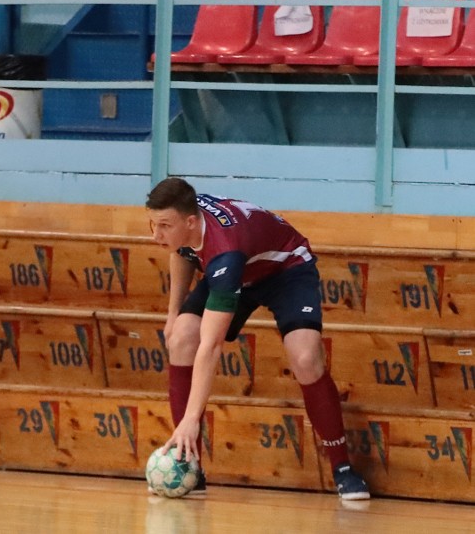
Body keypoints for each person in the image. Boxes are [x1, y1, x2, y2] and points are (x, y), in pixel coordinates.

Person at [146, 177, 370, 501]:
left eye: (163, 226)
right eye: (152, 225)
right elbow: (182, 250)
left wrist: (193, 418)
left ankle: (343, 468)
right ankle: (189, 464)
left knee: (305, 357)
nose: (156, 235)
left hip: (285, 268)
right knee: (181, 337)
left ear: (190, 222)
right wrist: (173, 313)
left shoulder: (225, 251)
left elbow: (211, 346)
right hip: (240, 267)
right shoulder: (186, 220)